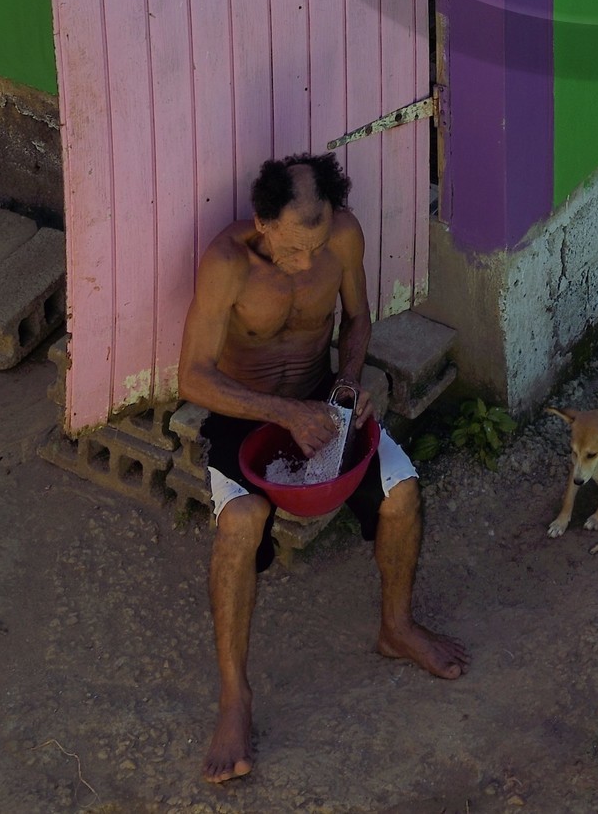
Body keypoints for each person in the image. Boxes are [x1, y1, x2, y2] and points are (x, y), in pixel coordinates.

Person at [177, 151, 468, 785]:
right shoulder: (226, 264)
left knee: (402, 490)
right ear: (262, 222)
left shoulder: (342, 235)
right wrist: (283, 414)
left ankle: (396, 627)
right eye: (292, 251)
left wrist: (343, 387)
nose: (309, 264)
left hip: (320, 399)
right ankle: (235, 698)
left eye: (317, 247)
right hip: (246, 413)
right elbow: (192, 377)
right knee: (241, 524)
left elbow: (358, 319)